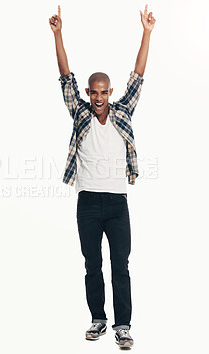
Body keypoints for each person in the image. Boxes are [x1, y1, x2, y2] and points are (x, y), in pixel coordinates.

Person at [49, 4, 156, 349]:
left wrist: (147, 33)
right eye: (92, 92)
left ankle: (123, 326)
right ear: (87, 95)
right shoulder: (79, 113)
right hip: (89, 203)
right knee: (92, 264)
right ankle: (98, 319)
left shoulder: (123, 112)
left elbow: (138, 75)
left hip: (117, 204)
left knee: (120, 266)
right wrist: (58, 34)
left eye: (103, 92)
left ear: (110, 93)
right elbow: (66, 75)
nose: (97, 97)